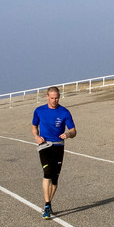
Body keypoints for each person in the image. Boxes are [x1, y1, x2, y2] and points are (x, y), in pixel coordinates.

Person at [31, 86, 76, 219]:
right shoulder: (39, 111)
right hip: (45, 145)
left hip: (58, 146)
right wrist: (36, 136)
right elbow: (34, 126)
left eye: (56, 98)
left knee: (55, 178)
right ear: (47, 97)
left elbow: (74, 131)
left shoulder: (64, 112)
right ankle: (46, 204)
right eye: (51, 98)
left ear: (59, 97)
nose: (54, 100)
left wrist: (68, 134)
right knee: (47, 173)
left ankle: (49, 204)